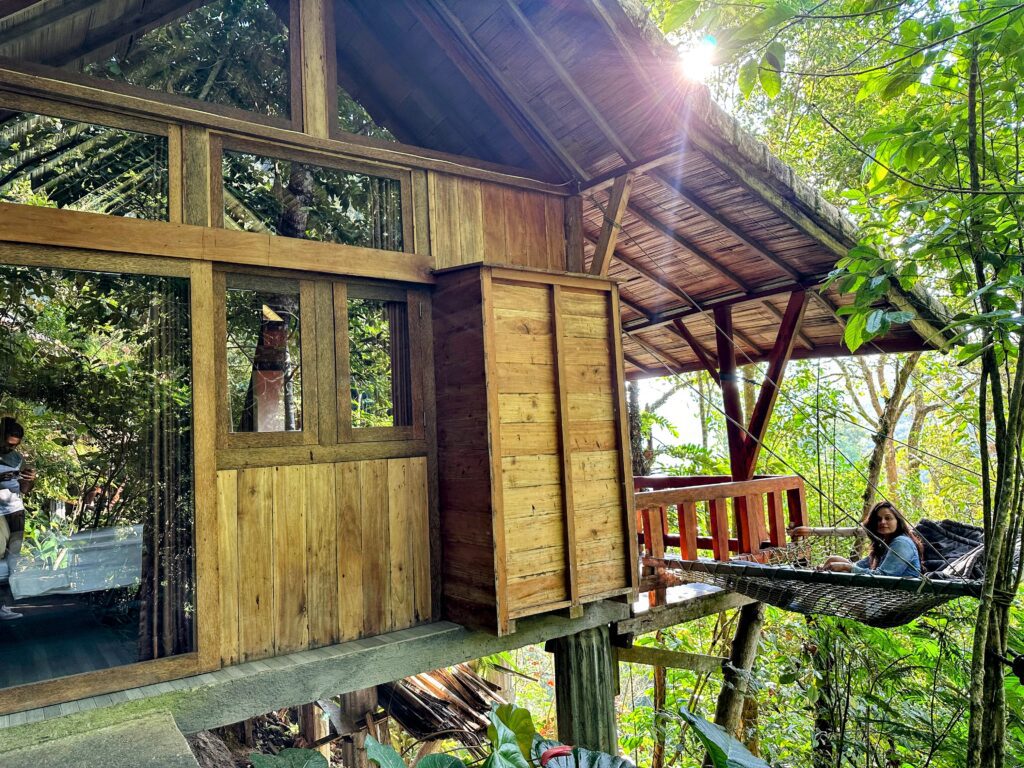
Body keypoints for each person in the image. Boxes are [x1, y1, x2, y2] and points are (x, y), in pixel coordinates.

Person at [822, 501, 923, 578]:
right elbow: (859, 565)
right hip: (884, 591)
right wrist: (833, 565)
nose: (882, 522)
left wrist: (846, 567)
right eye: (878, 519)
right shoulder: (884, 545)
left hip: (898, 595)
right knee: (833, 560)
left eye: (888, 518)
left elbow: (883, 576)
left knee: (844, 570)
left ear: (897, 521)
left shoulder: (901, 542)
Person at [0, 417, 36, 620]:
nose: (9, 448)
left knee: (12, 560)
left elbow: (25, 490)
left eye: (14, 445)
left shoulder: (17, 458)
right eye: (7, 443)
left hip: (15, 511)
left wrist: (30, 480)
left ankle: (3, 606)